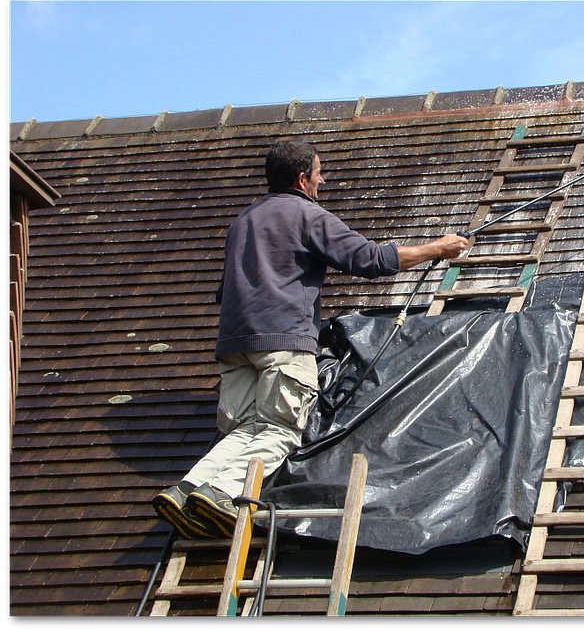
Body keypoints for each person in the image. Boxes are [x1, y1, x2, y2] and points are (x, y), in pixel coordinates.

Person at [153, 140, 468, 539]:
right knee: (281, 430)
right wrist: (437, 248)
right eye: (319, 172)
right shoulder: (306, 214)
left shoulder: (244, 221)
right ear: (303, 178)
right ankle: (220, 493)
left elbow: (226, 289)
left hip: (235, 344)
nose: (324, 179)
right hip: (282, 341)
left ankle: (187, 490)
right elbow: (367, 258)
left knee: (246, 430)